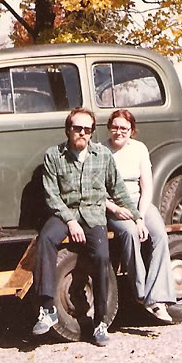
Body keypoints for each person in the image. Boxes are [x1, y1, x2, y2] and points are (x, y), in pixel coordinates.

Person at [32, 107, 143, 346]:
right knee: (46, 240)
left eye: (87, 129)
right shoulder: (53, 156)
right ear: (68, 129)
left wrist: (137, 217)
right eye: (77, 128)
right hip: (65, 214)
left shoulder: (103, 155)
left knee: (102, 257)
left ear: (92, 132)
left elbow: (118, 189)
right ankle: (48, 309)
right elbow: (52, 195)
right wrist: (70, 221)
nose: (82, 133)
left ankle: (101, 322)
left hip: (94, 215)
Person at [103, 109, 176, 323]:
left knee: (160, 235)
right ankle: (140, 291)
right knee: (130, 233)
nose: (119, 132)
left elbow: (146, 187)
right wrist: (117, 210)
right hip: (115, 206)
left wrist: (141, 216)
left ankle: (158, 299)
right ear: (109, 128)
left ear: (132, 131)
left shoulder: (139, 149)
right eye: (115, 127)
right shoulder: (100, 150)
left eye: (124, 128)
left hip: (139, 204)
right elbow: (97, 190)